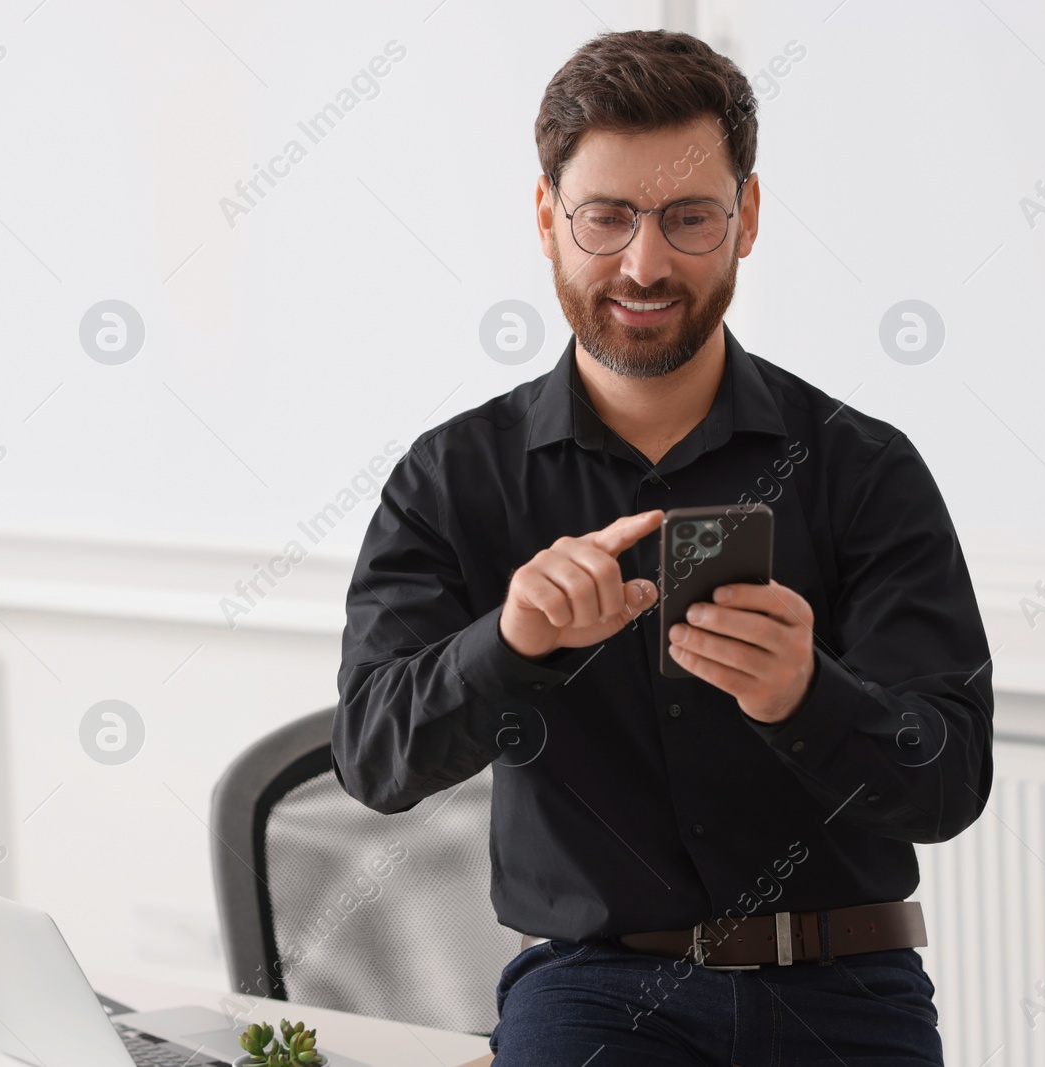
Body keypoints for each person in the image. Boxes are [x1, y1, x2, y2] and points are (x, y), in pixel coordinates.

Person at [332, 28, 992, 1066]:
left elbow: (947, 785)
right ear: (548, 218)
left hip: (847, 987)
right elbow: (373, 758)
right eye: (607, 218)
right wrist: (508, 640)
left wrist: (804, 697)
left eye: (688, 219)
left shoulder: (862, 468)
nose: (645, 263)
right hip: (591, 995)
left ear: (748, 218)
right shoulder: (451, 477)